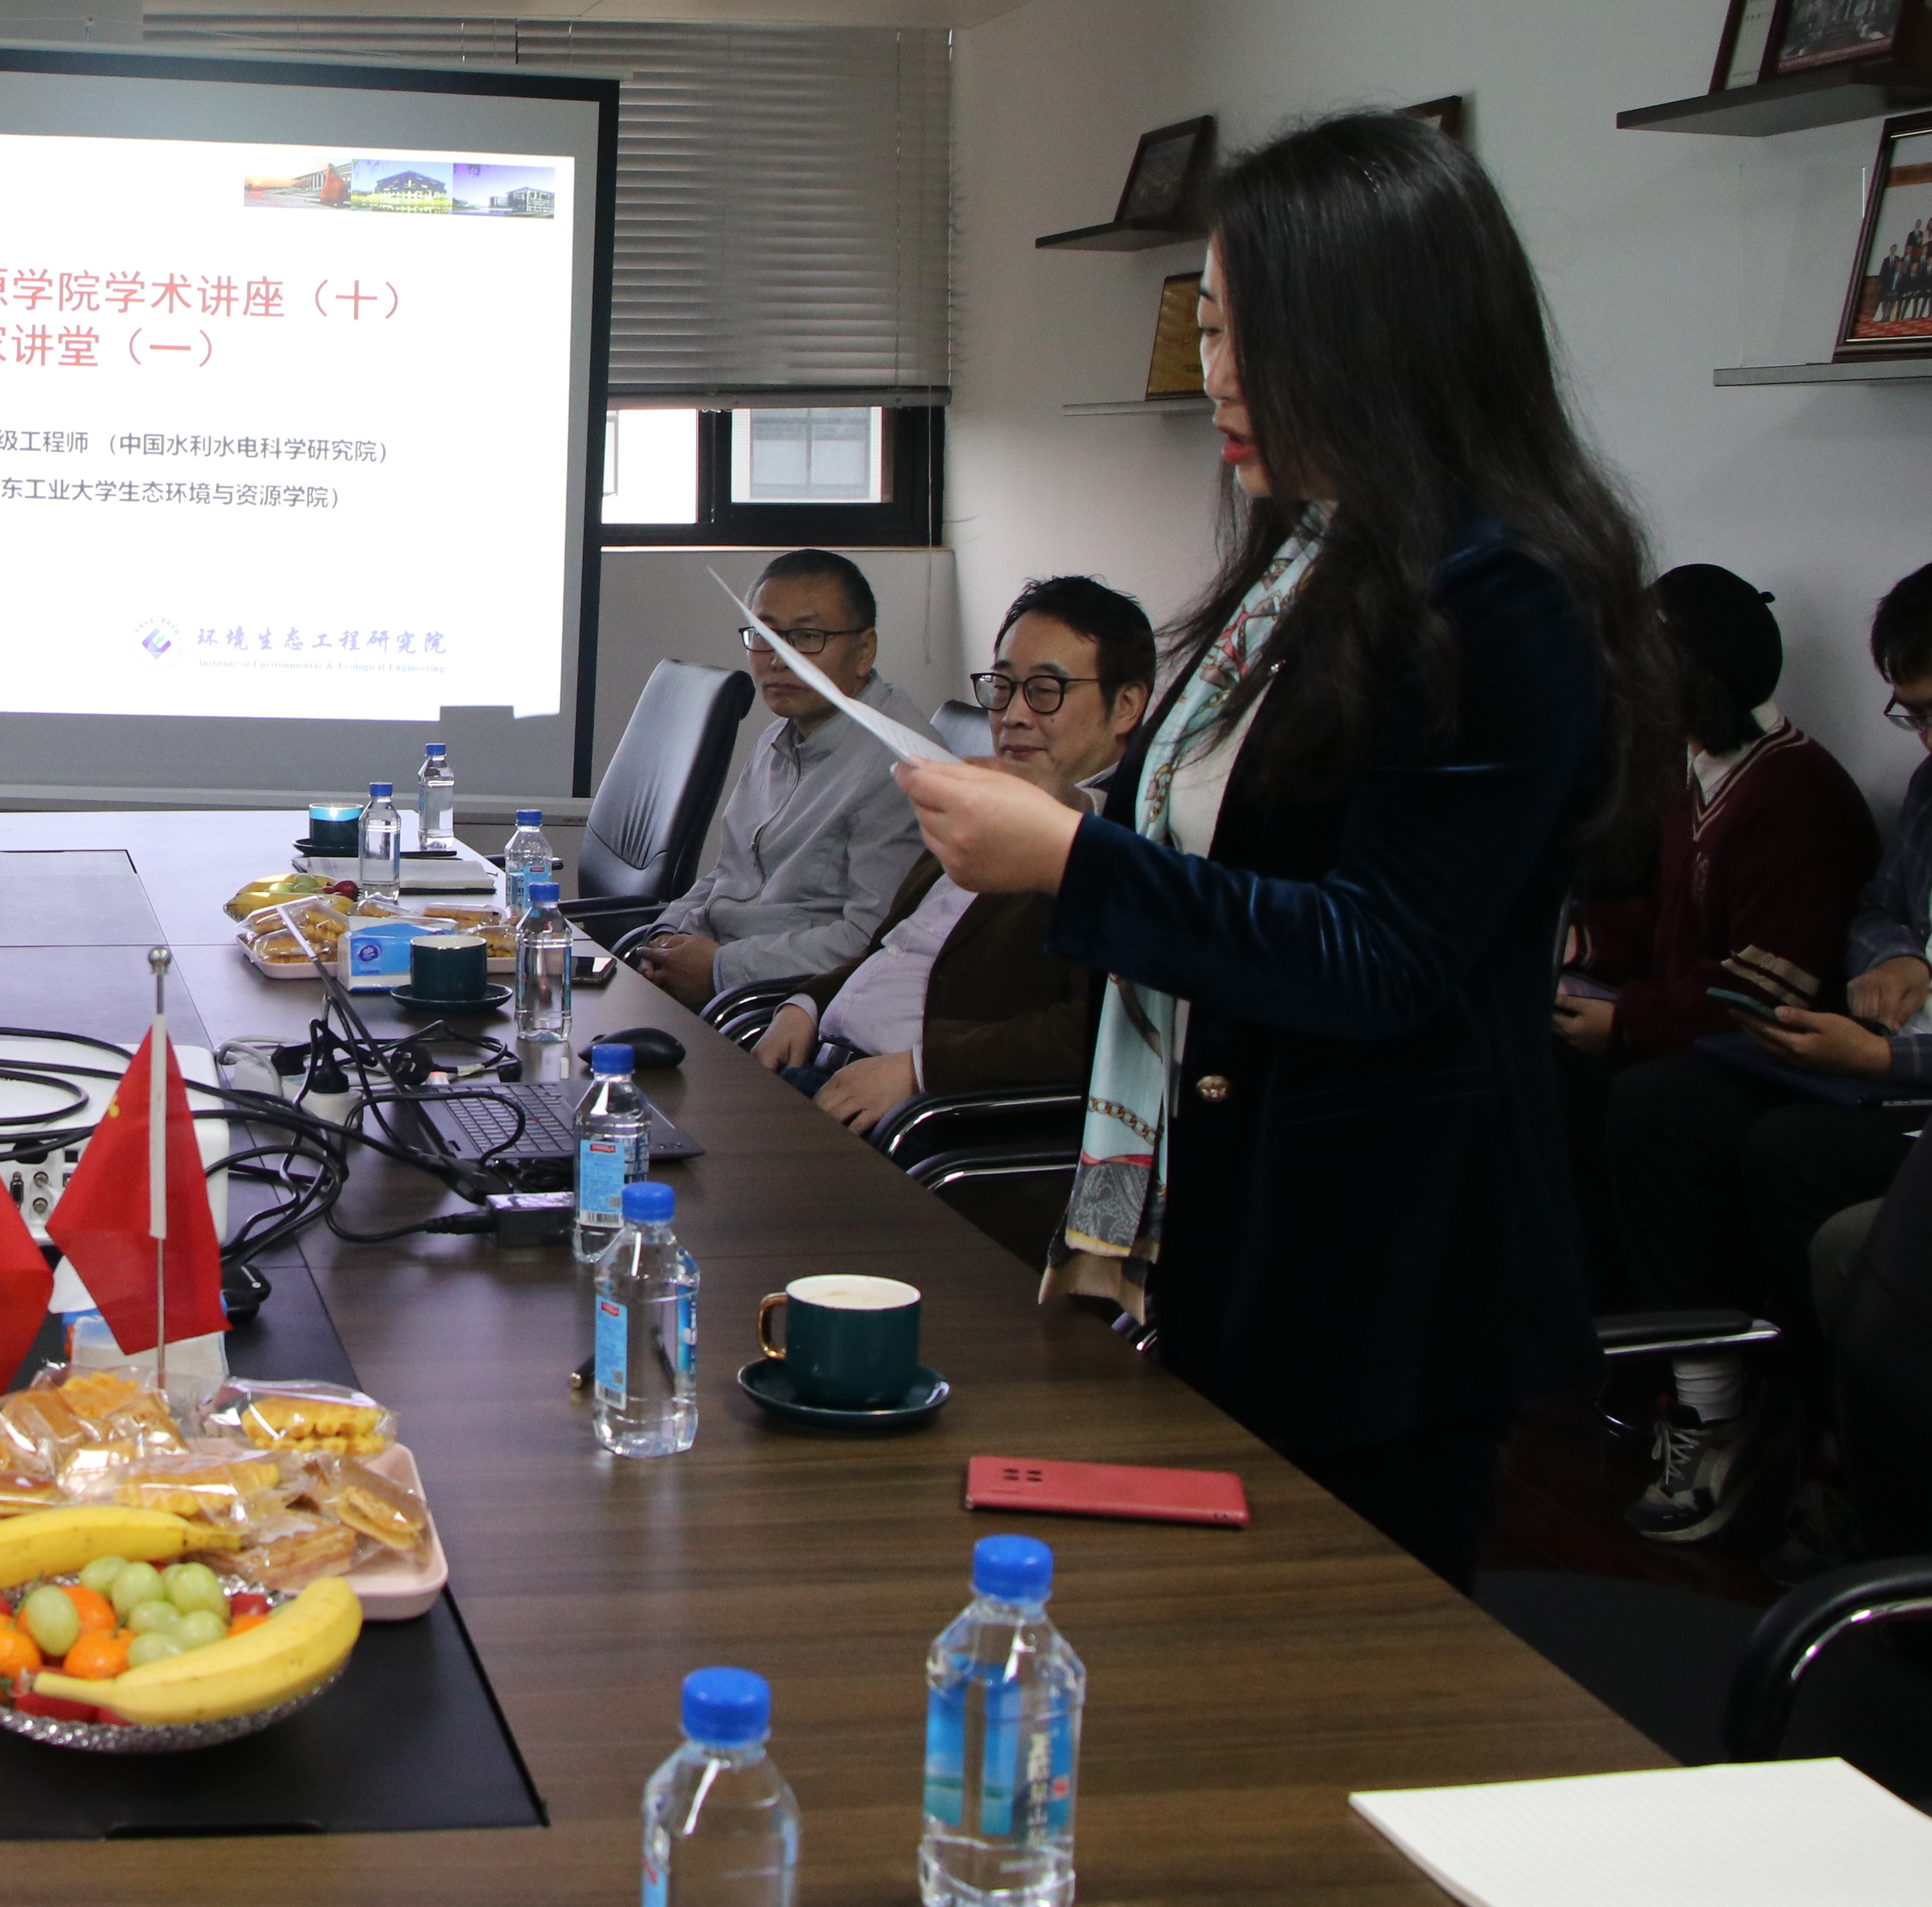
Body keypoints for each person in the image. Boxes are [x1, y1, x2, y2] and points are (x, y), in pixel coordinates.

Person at [897, 112, 1669, 1588]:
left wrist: (1070, 862)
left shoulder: (1502, 594)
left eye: (1251, 333)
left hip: (1379, 1256)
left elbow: (1378, 954)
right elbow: (1228, 847)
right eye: (1206, 327)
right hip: (1235, 1216)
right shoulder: (1304, 559)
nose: (1216, 374)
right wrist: (1071, 830)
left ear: (1379, 336)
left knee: (1333, 1653)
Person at [1598, 557, 1932, 1543]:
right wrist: (1898, 956)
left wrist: (1885, 1063)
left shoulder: (1793, 793)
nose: (1928, 740)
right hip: (1875, 1051)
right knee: (1658, 1110)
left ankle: (1840, 1446)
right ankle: (1708, 1402)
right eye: (1914, 715)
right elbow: (1877, 911)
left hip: (1909, 1084)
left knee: (1787, 1153)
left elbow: (1765, 969)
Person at [751, 576, 1153, 1133]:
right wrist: (807, 1005)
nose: (1013, 715)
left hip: (923, 1124)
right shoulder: (984, 802)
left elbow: (1097, 1031)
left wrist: (920, 1071)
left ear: (1126, 705)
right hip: (823, 1060)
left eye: (1045, 691)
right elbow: (894, 948)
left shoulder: (1126, 845)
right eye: (1003, 687)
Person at [1557, 564, 1873, 1068]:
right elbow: (1671, 919)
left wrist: (1625, 1023)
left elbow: (1762, 991)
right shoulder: (1702, 768)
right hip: (1681, 1027)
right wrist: (1578, 942)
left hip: (1762, 1057)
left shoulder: (1797, 795)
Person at [629, 547, 931, 1010]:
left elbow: (872, 941)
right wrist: (666, 936)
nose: (777, 660)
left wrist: (721, 968)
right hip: (717, 978)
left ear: (864, 650)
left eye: (807, 637)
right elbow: (729, 875)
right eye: (764, 636)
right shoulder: (781, 735)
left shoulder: (900, 769)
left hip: (774, 1007)